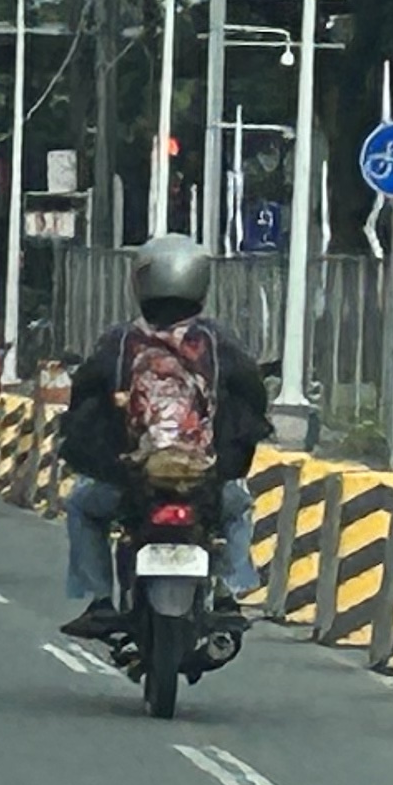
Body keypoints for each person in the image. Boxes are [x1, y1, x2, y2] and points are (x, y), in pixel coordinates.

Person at [57, 232, 268, 635]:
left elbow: (84, 394)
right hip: (204, 481)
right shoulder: (217, 342)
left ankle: (100, 600)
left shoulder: (121, 342)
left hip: (132, 480)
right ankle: (230, 590)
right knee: (238, 508)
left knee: (82, 506)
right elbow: (252, 394)